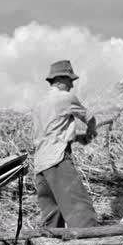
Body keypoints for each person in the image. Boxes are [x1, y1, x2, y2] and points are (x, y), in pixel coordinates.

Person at [32, 60, 99, 228]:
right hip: (58, 161)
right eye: (70, 80)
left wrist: (77, 138)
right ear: (61, 79)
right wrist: (91, 131)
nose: (72, 85)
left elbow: (50, 134)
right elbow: (89, 118)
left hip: (40, 165)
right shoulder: (66, 98)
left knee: (52, 216)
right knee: (80, 210)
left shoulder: (39, 105)